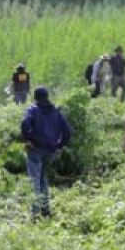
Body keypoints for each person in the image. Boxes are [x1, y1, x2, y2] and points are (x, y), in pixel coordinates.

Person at [20, 86, 73, 218]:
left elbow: (25, 124)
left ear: (35, 97)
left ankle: (35, 213)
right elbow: (67, 131)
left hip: (36, 148)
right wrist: (60, 146)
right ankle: (45, 210)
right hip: (51, 150)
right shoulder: (55, 111)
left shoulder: (32, 110)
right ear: (47, 96)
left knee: (34, 180)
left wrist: (28, 139)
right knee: (43, 179)